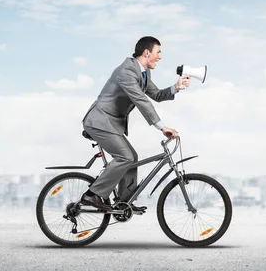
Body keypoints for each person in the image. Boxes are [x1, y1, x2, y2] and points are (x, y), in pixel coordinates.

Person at [79, 36, 190, 212]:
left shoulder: (143, 73)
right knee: (126, 157)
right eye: (158, 52)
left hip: (111, 124)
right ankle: (92, 195)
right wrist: (162, 127)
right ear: (147, 53)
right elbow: (140, 100)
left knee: (132, 158)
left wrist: (175, 87)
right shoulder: (126, 71)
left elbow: (157, 95)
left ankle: (124, 202)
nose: (160, 57)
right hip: (99, 122)